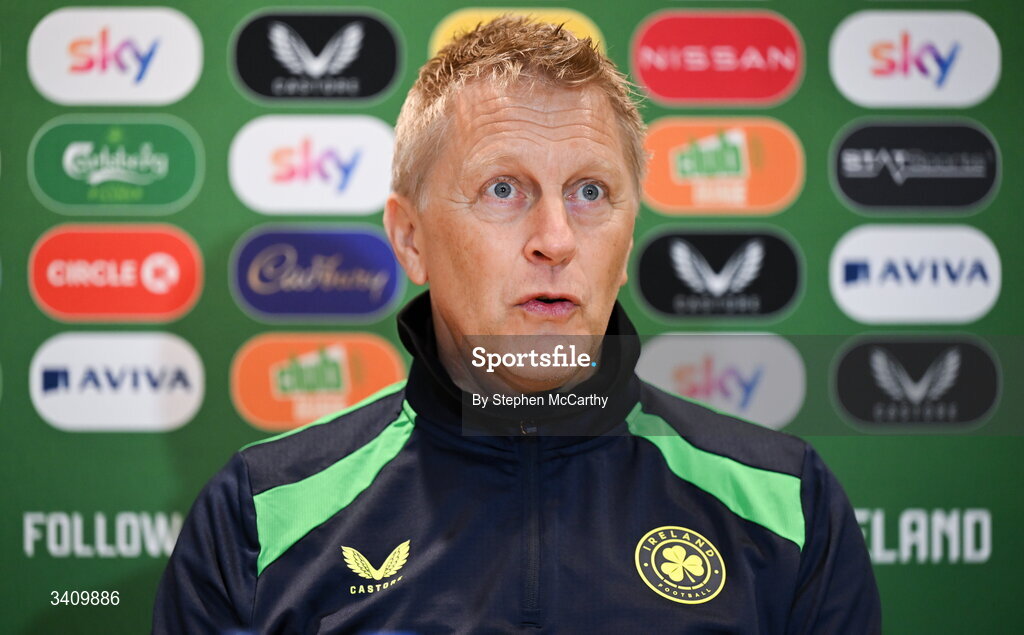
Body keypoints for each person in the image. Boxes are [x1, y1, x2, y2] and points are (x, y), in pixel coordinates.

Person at [154, 16, 881, 634]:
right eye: (504, 189)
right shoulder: (259, 517)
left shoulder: (786, 503)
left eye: (590, 191)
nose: (556, 239)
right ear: (410, 239)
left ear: (627, 242)